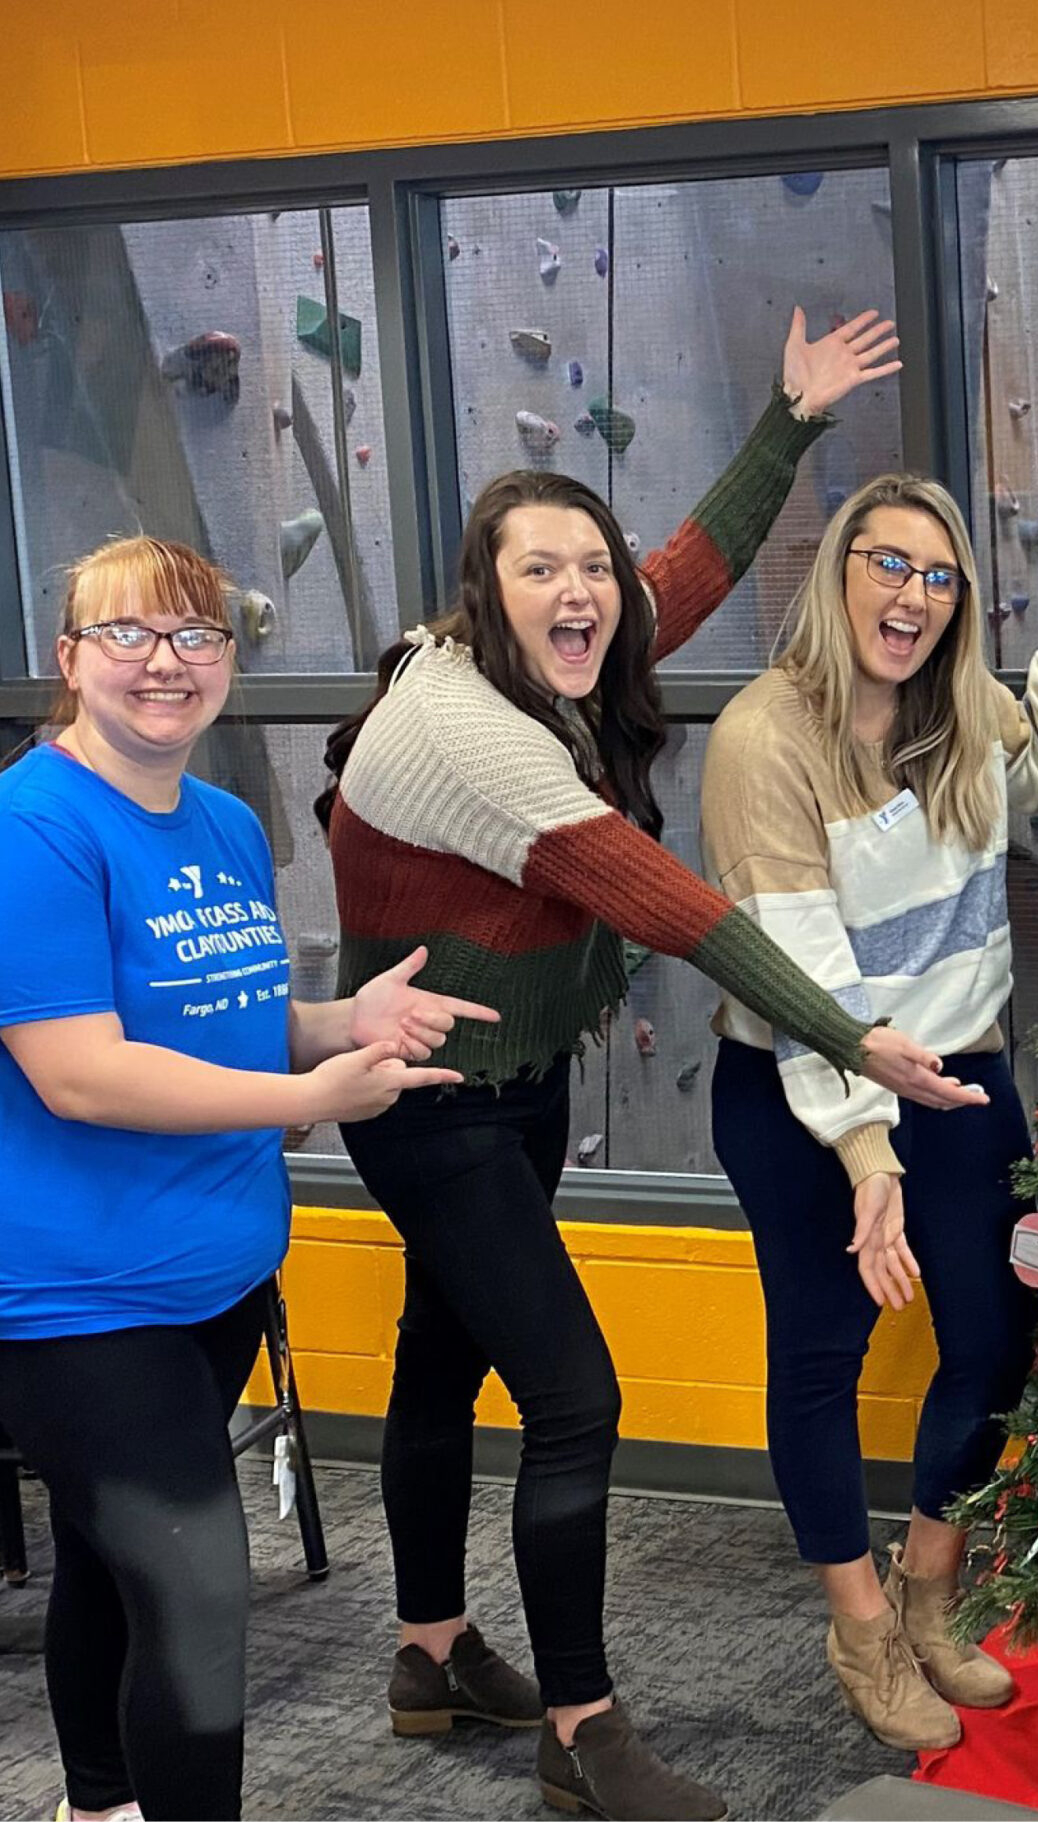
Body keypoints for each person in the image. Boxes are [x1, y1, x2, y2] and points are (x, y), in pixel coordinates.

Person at [315, 311, 979, 1822]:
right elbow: (676, 908)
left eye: (587, 568)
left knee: (440, 1348)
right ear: (483, 593)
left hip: (514, 1079)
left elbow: (681, 566)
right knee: (578, 1397)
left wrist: (792, 420)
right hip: (432, 1103)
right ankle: (581, 1725)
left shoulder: (566, 653)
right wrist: (853, 1033)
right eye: (539, 568)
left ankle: (428, 1653)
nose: (582, 594)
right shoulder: (472, 730)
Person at [0, 537, 486, 1821]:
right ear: (70, 660)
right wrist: (309, 1102)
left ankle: (93, 1805)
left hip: (213, 1272)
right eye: (130, 634)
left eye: (196, 636)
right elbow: (82, 1074)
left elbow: (219, 1024)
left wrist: (337, 1024)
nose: (166, 662)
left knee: (121, 1574)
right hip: (75, 1301)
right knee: (204, 1588)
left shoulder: (219, 823)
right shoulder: (29, 832)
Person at [702, 478, 1038, 1750]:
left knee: (998, 1339)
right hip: (803, 1091)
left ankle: (930, 1590)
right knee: (823, 1355)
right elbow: (801, 973)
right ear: (841, 572)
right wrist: (865, 1156)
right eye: (890, 565)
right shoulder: (762, 737)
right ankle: (860, 1627)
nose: (913, 597)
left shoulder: (961, 706)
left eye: (939, 578)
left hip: (959, 1070)